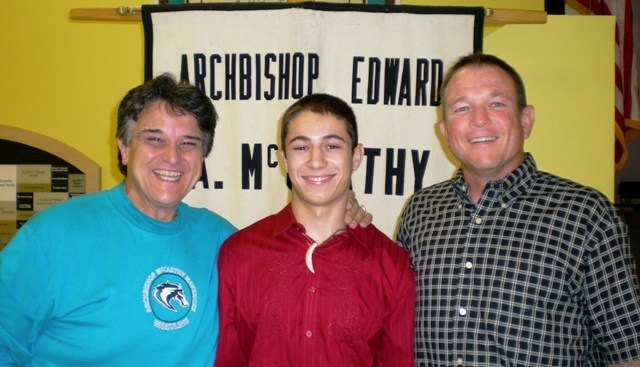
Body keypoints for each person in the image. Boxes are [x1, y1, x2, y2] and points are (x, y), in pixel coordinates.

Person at [0, 75, 371, 366]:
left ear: (203, 157)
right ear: (124, 148)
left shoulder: (224, 241)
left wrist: (341, 206)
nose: (172, 157)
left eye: (189, 143)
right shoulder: (52, 238)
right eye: (154, 139)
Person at [397, 53, 640, 366]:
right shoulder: (420, 212)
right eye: (462, 107)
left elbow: (629, 353)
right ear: (445, 132)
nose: (479, 119)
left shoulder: (587, 216)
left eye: (497, 103)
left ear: (526, 121)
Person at [215, 93, 415, 367]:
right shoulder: (238, 255)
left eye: (332, 146)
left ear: (356, 156)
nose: (316, 161)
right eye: (301, 147)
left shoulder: (392, 266)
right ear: (284, 158)